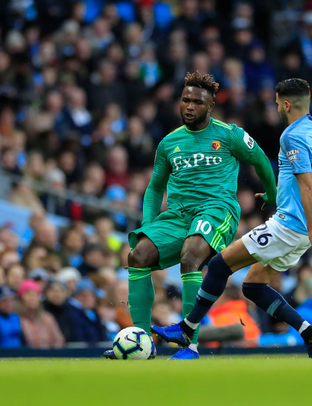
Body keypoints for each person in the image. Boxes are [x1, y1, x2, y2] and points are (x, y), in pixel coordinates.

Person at [152, 77, 312, 358]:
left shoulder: (291, 136)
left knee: (218, 266)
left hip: (290, 226)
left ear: (286, 104)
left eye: (276, 103)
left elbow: (307, 185)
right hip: (299, 229)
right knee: (252, 286)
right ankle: (310, 334)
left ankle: (187, 329)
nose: (275, 108)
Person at [104, 71, 277, 360]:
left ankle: (190, 346)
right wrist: (149, 225)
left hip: (217, 209)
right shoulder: (169, 143)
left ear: (210, 106)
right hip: (178, 215)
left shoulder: (229, 134)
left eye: (197, 102)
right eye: (185, 100)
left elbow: (260, 159)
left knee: (190, 256)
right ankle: (142, 341)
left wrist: (271, 193)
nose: (189, 106)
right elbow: (155, 188)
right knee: (137, 255)